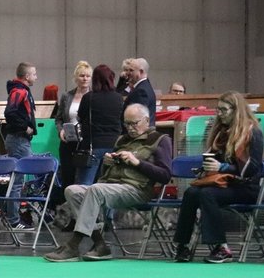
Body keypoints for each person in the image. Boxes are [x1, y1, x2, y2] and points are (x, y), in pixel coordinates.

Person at [44, 104, 171, 262]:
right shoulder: (122, 140)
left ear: (146, 120)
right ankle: (100, 245)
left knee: (95, 189)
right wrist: (107, 163)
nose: (130, 128)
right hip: (112, 187)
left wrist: (137, 162)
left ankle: (73, 245)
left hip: (138, 189)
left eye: (134, 123)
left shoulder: (160, 140)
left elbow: (165, 175)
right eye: (126, 124)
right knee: (72, 190)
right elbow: (106, 175)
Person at [173, 91, 264, 264]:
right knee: (191, 193)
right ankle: (183, 245)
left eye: (224, 110)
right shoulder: (220, 133)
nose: (219, 114)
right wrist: (205, 168)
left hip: (245, 187)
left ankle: (221, 247)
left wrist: (222, 167)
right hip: (222, 184)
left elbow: (253, 168)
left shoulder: (253, 132)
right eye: (218, 110)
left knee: (207, 194)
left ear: (236, 110)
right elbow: (216, 160)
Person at [74, 64, 124, 185]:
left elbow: (80, 117)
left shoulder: (88, 97)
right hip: (114, 146)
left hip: (93, 145)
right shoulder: (118, 98)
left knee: (84, 184)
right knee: (109, 184)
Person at [54, 61, 92, 192]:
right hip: (68, 141)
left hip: (85, 142)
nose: (85, 79)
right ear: (76, 78)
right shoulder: (67, 96)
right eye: (82, 75)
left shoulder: (93, 97)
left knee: (83, 177)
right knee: (67, 175)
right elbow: (58, 118)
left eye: (88, 76)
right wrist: (60, 131)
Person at [4, 62, 37, 160]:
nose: (36, 77)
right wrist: (25, 127)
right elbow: (9, 113)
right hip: (18, 140)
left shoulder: (23, 91)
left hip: (21, 139)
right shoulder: (19, 92)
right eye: (34, 74)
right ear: (27, 76)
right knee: (24, 168)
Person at [124, 57, 156, 122]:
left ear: (141, 71)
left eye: (131, 70)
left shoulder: (141, 91)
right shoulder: (145, 86)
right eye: (127, 70)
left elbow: (138, 119)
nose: (127, 73)